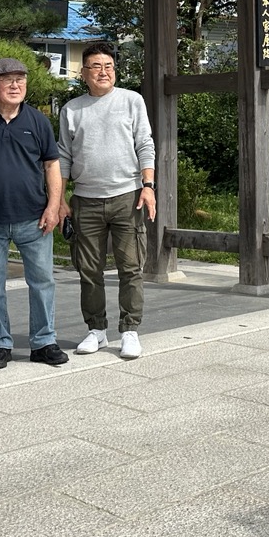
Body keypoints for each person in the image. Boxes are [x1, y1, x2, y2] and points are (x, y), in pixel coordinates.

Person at [0, 57, 67, 369]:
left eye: (20, 79)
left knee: (42, 282)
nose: (15, 85)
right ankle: (0, 344)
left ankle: (43, 341)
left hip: (34, 217)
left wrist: (53, 207)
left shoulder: (37, 120)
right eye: (7, 80)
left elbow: (52, 165)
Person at [57, 44, 157, 360]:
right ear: (83, 73)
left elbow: (145, 144)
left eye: (109, 65)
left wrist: (148, 185)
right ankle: (96, 330)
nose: (104, 71)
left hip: (128, 196)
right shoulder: (71, 109)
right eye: (96, 66)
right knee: (89, 270)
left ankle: (129, 331)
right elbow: (62, 157)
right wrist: (59, 200)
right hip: (85, 198)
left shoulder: (132, 101)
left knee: (131, 267)